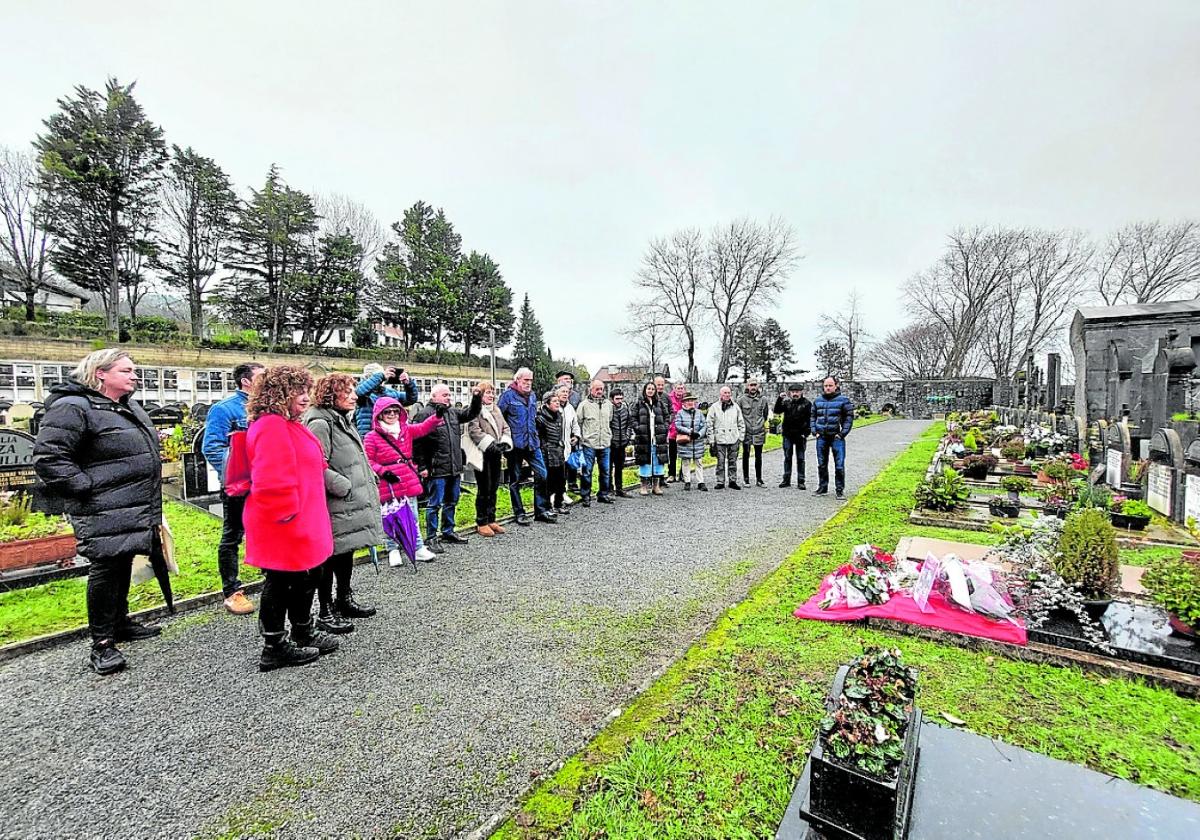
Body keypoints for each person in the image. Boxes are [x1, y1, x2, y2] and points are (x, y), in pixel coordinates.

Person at [34, 349, 164, 676]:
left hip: (132, 502)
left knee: (122, 562)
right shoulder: (74, 407)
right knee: (106, 568)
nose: (134, 376)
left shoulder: (126, 405)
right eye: (127, 370)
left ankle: (120, 622)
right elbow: (50, 459)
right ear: (101, 373)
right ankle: (102, 644)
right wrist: (87, 487)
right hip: (102, 505)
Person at [242, 365, 339, 672]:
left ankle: (301, 630)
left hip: (300, 518)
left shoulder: (288, 424)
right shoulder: (271, 425)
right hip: (285, 522)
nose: (305, 397)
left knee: (301, 580)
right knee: (282, 582)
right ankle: (274, 645)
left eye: (307, 391)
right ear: (278, 394)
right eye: (298, 391)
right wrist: (288, 517)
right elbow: (271, 478)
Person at [303, 374, 387, 635]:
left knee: (346, 553)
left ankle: (344, 599)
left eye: (353, 391)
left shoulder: (340, 419)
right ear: (331, 394)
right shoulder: (320, 421)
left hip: (348, 503)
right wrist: (343, 485)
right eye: (348, 391)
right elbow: (315, 463)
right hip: (335, 502)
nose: (354, 396)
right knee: (330, 558)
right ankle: (326, 610)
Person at [201, 361, 265, 616]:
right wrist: (239, 474)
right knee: (232, 536)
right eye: (262, 376)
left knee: (266, 530)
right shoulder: (224, 409)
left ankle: (270, 572)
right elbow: (212, 448)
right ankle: (232, 591)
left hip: (266, 484)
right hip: (240, 486)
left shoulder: (268, 408)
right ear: (246, 381)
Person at [363, 397, 442, 561]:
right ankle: (393, 549)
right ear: (379, 414)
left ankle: (418, 546)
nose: (392, 414)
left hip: (405, 478)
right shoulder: (371, 437)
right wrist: (382, 471)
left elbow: (422, 428)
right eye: (387, 412)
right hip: (387, 482)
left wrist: (436, 417)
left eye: (395, 411)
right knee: (390, 516)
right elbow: (368, 460)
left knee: (412, 515)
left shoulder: (405, 429)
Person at [412, 383, 483, 550]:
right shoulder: (424, 415)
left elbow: (470, 413)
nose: (448, 398)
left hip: (454, 467)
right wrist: (421, 466)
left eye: (449, 395)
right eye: (445, 395)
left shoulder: (452, 412)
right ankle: (431, 537)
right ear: (434, 396)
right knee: (434, 504)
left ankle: (448, 530)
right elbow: (417, 443)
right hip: (436, 468)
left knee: (452, 500)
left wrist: (476, 398)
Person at [498, 368, 553, 526]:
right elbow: (499, 418)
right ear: (517, 380)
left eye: (530, 380)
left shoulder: (533, 396)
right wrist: (504, 440)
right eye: (525, 380)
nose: (528, 383)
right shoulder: (507, 396)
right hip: (515, 444)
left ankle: (540, 510)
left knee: (542, 474)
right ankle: (519, 513)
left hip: (532, 442)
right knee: (515, 480)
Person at [463, 381, 513, 537]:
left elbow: (505, 427)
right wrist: (489, 444)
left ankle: (491, 518)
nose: (491, 395)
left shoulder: (496, 409)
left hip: (496, 452)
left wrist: (504, 441)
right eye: (487, 393)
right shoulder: (475, 410)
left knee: (494, 487)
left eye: (492, 392)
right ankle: (482, 521)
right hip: (482, 453)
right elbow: (474, 430)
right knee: (484, 487)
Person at [811, 376, 855, 499]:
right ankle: (822, 488)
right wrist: (815, 431)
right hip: (822, 437)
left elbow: (849, 418)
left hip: (837, 437)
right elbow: (812, 416)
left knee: (839, 464)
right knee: (821, 464)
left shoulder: (844, 401)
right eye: (826, 386)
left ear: (836, 385)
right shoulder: (818, 401)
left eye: (830, 385)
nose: (828, 388)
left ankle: (839, 490)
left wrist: (842, 434)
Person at [574, 379, 614, 506]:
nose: (599, 391)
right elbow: (578, 422)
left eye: (601, 389)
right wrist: (581, 438)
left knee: (606, 471)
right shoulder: (584, 405)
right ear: (590, 389)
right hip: (589, 443)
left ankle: (603, 494)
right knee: (587, 471)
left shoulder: (608, 404)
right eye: (596, 389)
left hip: (605, 443)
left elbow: (610, 419)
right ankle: (585, 495)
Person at [354, 363, 418, 437]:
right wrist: (381, 376)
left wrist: (409, 384)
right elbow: (360, 392)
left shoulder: (391, 393)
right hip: (368, 438)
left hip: (388, 438)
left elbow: (411, 399)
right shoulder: (364, 395)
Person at [544, 370, 582, 491]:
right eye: (563, 391)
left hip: (568, 439)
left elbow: (575, 422)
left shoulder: (573, 402)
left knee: (569, 463)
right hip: (554, 442)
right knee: (556, 470)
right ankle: (555, 494)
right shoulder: (551, 402)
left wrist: (576, 435)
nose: (565, 393)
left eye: (567, 392)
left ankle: (568, 487)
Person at [632, 381, 669, 495]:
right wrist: (638, 429)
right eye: (648, 389)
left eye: (653, 389)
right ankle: (643, 486)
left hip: (658, 438)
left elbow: (667, 416)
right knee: (645, 462)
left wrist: (665, 428)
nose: (650, 391)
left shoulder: (660, 404)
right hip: (644, 438)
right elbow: (633, 418)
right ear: (645, 390)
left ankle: (656, 486)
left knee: (658, 462)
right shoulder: (638, 404)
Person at [536, 392, 568, 519]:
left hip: (559, 451)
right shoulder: (540, 418)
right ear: (547, 403)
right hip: (547, 452)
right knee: (548, 482)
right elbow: (539, 437)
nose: (557, 403)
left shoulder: (559, 416)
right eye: (554, 401)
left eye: (557, 401)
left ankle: (559, 503)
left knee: (561, 480)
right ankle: (547, 506)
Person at [707, 385, 746, 490]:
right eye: (725, 393)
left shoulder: (736, 407)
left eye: (729, 393)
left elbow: (741, 423)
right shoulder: (714, 407)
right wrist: (711, 440)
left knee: (733, 461)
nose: (727, 395)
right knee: (720, 462)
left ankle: (732, 481)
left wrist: (740, 438)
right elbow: (709, 424)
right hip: (719, 439)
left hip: (733, 439)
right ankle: (720, 481)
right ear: (721, 394)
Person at [774, 383, 812, 489]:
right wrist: (779, 399)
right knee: (787, 457)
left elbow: (810, 419)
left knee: (800, 458)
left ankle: (801, 481)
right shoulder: (787, 402)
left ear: (801, 392)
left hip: (801, 435)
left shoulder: (807, 404)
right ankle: (786, 479)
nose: (795, 394)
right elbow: (777, 410)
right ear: (790, 393)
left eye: (797, 391)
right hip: (788, 434)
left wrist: (806, 433)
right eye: (793, 392)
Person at [738, 378, 770, 487]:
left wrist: (760, 424)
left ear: (758, 386)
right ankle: (746, 479)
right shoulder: (741, 400)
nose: (753, 387)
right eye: (751, 385)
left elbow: (765, 414)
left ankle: (759, 479)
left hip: (759, 431)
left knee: (758, 456)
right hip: (746, 431)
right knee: (745, 455)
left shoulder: (763, 399)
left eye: (755, 385)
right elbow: (739, 415)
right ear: (747, 386)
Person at [673, 392, 708, 491]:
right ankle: (687, 481)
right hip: (686, 441)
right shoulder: (680, 413)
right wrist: (689, 431)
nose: (690, 402)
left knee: (699, 462)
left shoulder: (699, 413)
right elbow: (678, 426)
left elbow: (704, 425)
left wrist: (699, 434)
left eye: (692, 400)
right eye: (688, 400)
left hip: (697, 441)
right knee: (686, 462)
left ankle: (701, 482)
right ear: (684, 403)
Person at [608, 388, 635, 498]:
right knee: (608, 468)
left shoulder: (625, 409)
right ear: (612, 399)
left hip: (622, 442)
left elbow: (629, 424)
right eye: (617, 399)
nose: (619, 401)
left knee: (619, 467)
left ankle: (619, 488)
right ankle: (609, 489)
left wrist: (627, 436)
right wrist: (610, 438)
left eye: (621, 398)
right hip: (611, 443)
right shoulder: (609, 409)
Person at [665, 381, 686, 483]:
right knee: (672, 455)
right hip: (673, 431)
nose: (680, 390)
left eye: (682, 388)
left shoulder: (687, 398)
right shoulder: (669, 398)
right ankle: (671, 474)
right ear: (674, 388)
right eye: (678, 388)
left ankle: (683, 474)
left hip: (684, 430)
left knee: (684, 454)